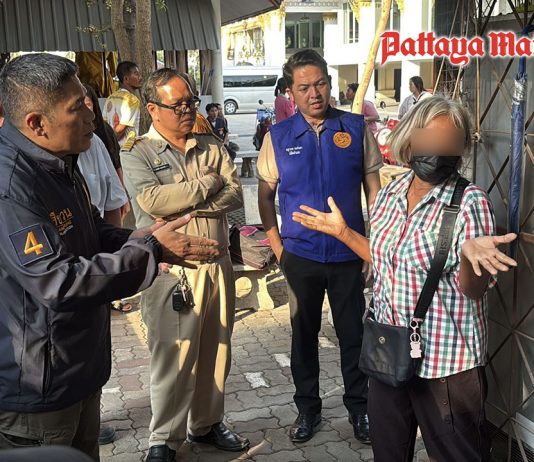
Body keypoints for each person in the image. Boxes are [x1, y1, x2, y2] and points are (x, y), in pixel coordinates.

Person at [0, 53, 220, 460]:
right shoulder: (12, 185)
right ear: (37, 123)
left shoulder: (57, 162)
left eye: (88, 103)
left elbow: (88, 231)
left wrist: (136, 237)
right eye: (78, 108)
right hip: (38, 387)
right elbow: (57, 281)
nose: (93, 116)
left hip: (76, 366)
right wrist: (151, 251)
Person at [292, 96, 517, 462]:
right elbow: (387, 259)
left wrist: (469, 259)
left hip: (446, 364)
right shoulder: (390, 194)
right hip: (389, 351)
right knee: (389, 453)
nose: (437, 152)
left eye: (448, 145)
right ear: (410, 141)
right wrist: (344, 233)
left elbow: (473, 291)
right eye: (430, 141)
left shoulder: (471, 203)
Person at [120, 68, 248, 462]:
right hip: (173, 272)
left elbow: (236, 194)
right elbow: (152, 201)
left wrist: (188, 204)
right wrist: (208, 184)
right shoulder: (138, 151)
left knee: (216, 349)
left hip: (217, 266)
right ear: (153, 109)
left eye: (191, 102)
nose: (188, 110)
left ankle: (206, 424)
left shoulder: (209, 144)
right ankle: (164, 439)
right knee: (173, 358)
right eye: (178, 105)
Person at [257, 49, 383, 445]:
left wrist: (372, 248)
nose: (314, 94)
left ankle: (360, 410)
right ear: (290, 92)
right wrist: (278, 247)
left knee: (353, 336)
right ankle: (308, 410)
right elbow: (265, 196)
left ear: (330, 83)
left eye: (321, 84)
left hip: (348, 255)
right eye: (304, 87)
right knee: (303, 336)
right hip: (301, 256)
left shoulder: (355, 129)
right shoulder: (278, 137)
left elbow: (375, 194)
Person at [102, 61, 142, 146]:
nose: (140, 77)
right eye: (136, 74)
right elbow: (120, 130)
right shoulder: (132, 100)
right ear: (126, 79)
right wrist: (113, 144)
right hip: (127, 149)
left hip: (111, 146)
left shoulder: (110, 98)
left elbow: (104, 125)